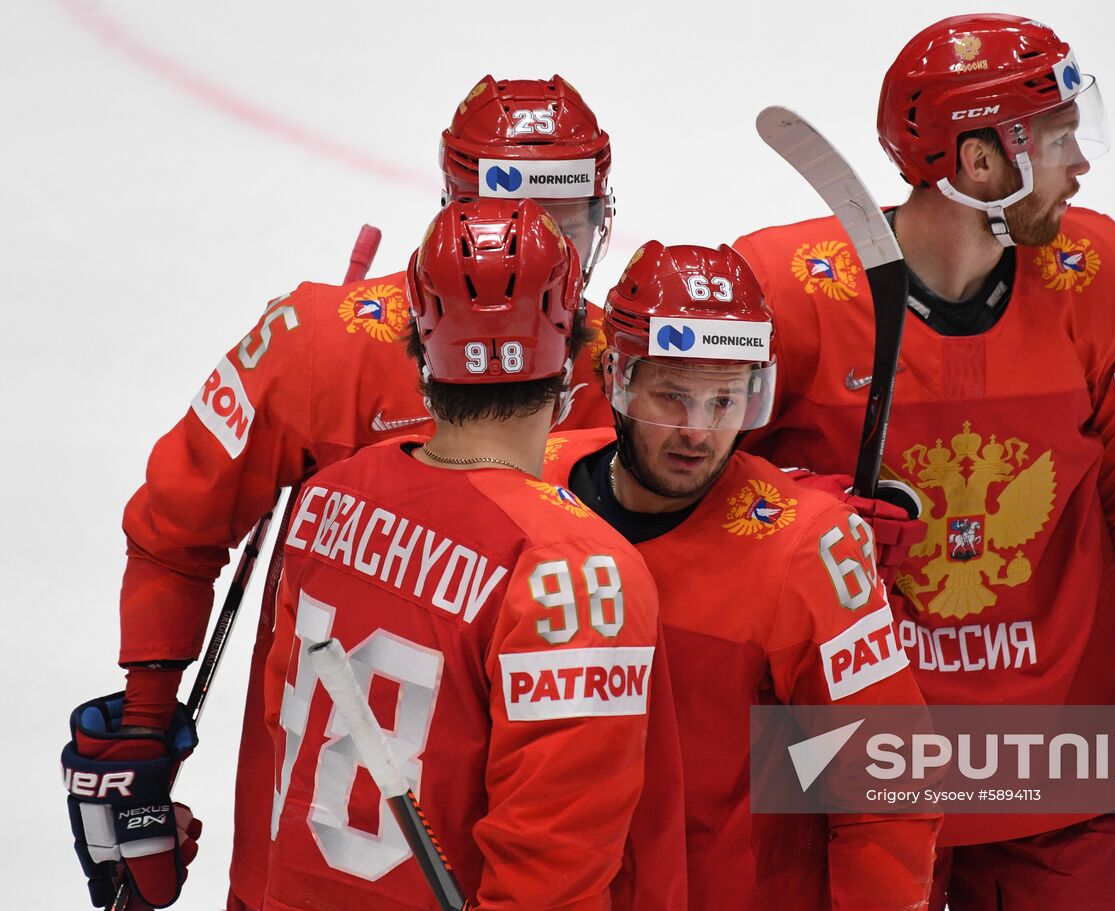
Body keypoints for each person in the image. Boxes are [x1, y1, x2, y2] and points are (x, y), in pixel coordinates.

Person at [60, 76, 664, 911]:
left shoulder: (632, 370)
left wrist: (798, 521)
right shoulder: (323, 345)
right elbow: (175, 526)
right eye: (508, 212)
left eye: (560, 218)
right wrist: (143, 722)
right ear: (456, 207)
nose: (535, 243)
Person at [731, 14, 1115, 909]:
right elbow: (664, 488)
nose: (1081, 164)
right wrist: (799, 516)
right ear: (982, 163)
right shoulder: (791, 294)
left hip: (1060, 770)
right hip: (857, 775)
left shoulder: (1100, 276)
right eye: (1059, 140)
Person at [257, 198, 661, 910]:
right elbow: (553, 879)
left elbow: (278, 725)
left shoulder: (327, 497)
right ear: (572, 353)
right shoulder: (573, 565)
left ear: (419, 345)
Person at [542, 241, 941, 910]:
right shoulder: (531, 486)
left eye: (726, 399)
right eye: (672, 396)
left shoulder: (805, 549)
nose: (699, 431)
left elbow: (889, 784)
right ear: (617, 377)